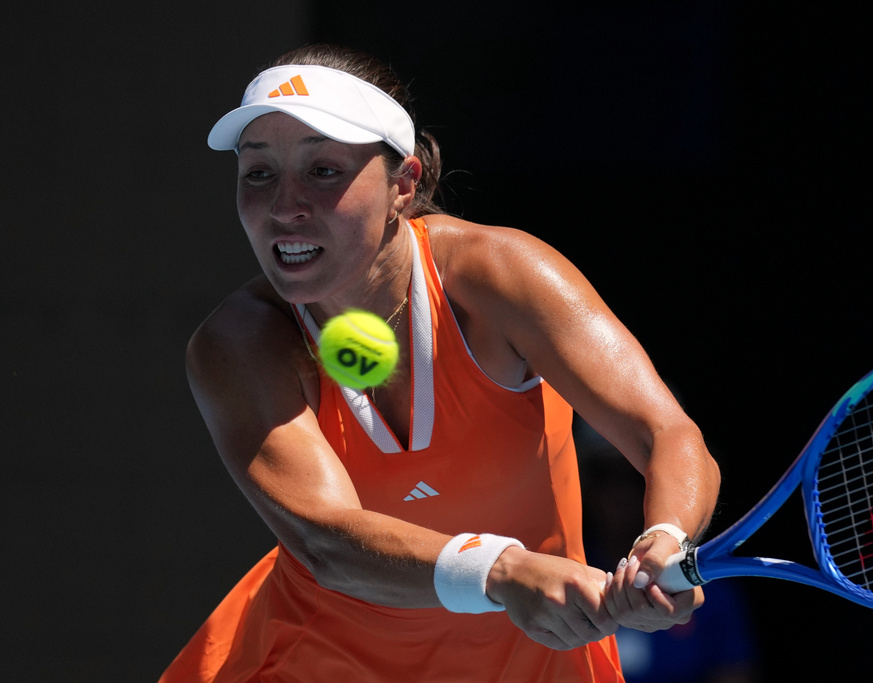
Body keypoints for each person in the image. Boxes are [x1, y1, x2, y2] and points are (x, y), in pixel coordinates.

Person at [160, 44, 721, 682]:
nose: (285, 205)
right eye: (258, 173)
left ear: (403, 182)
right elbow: (327, 540)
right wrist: (502, 570)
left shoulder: (500, 277)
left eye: (323, 171)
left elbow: (668, 434)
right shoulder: (239, 343)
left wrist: (667, 541)